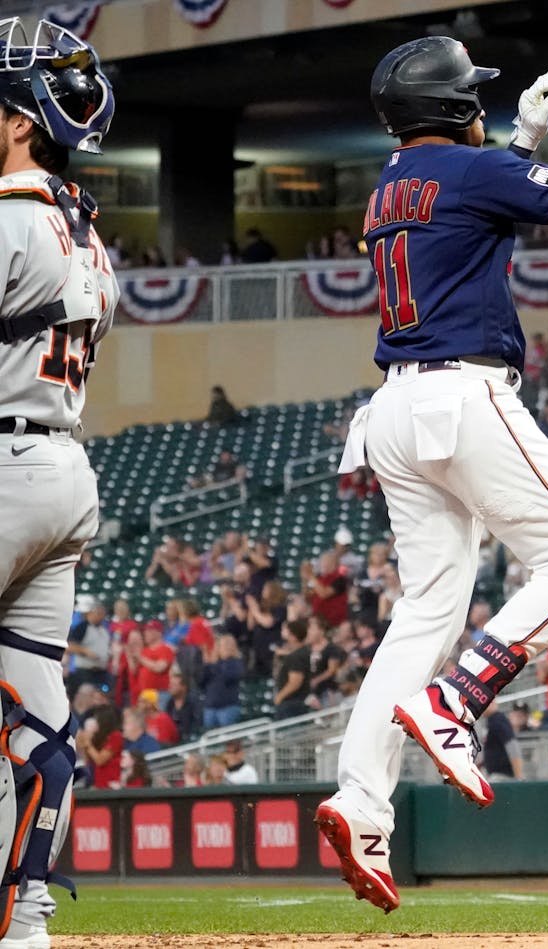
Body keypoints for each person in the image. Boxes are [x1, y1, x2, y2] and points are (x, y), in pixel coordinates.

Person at [317, 39, 548, 914]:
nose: (485, 107)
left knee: (424, 612)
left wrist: (521, 147)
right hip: (463, 394)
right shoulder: (467, 169)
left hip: (393, 413)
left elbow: (476, 221)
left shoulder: (394, 180)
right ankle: (458, 697)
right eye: (476, 99)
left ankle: (361, 799)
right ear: (456, 109)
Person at [0, 18, 117, 946]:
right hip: (64, 467)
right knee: (34, 715)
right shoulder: (82, 228)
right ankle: (26, 924)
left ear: (17, 122)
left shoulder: (2, 217)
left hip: (2, 466)